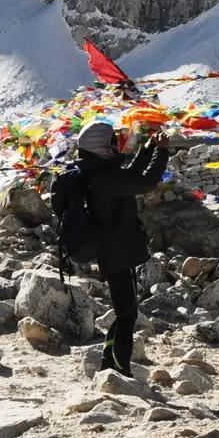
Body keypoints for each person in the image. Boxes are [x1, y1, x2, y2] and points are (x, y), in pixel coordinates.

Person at [75, 120, 168, 377]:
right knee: (126, 313)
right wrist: (162, 152)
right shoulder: (103, 177)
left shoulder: (101, 172)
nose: (117, 146)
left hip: (116, 247)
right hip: (114, 249)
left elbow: (131, 177)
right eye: (113, 142)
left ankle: (110, 363)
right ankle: (119, 369)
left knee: (125, 311)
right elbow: (145, 182)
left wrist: (148, 150)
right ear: (102, 145)